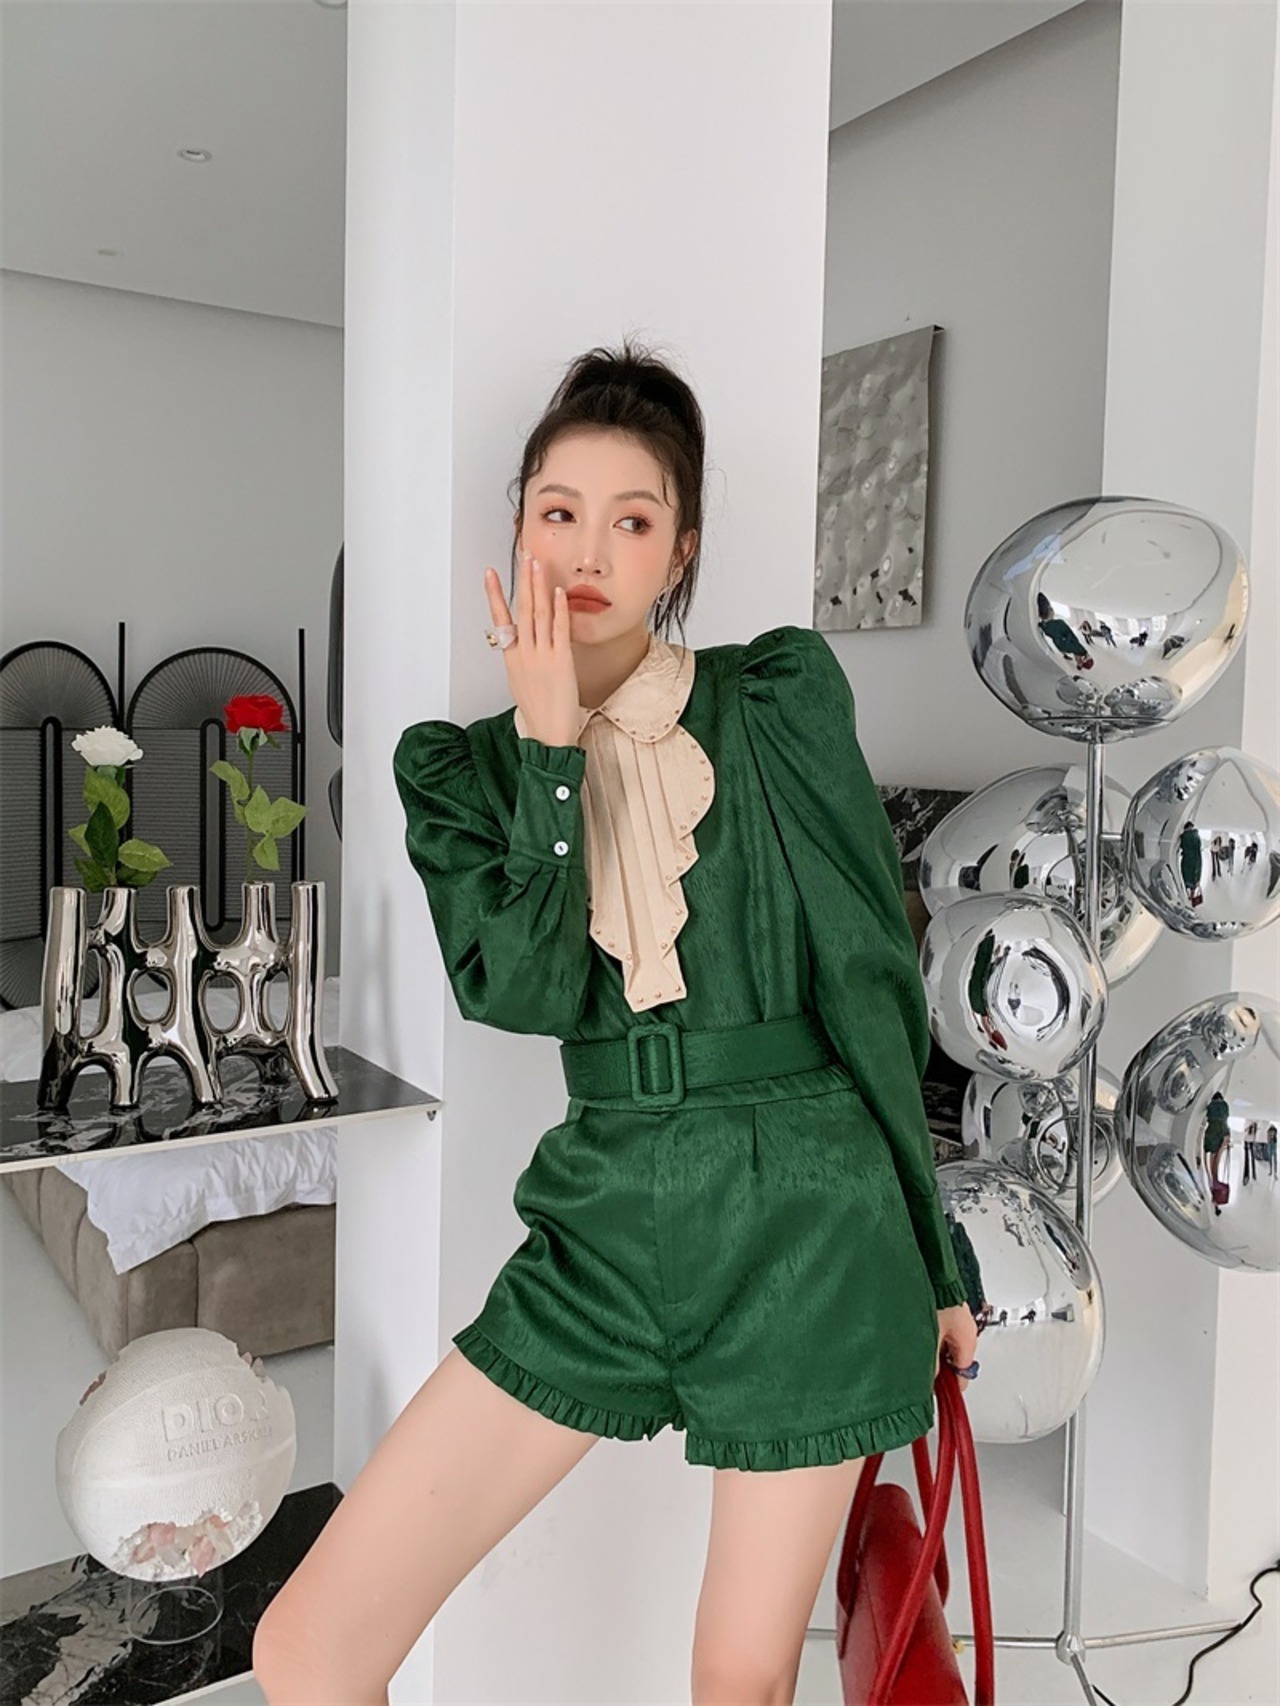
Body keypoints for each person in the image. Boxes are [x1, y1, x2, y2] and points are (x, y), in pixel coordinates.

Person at [253, 340, 979, 1706]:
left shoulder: (775, 699)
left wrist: (937, 1258)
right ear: (519, 527)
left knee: (737, 1680)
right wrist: (547, 750)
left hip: (814, 1216)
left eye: (632, 521)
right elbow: (518, 991)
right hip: (606, 1210)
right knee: (307, 1646)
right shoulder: (457, 770)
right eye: (559, 510)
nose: (588, 550)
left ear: (679, 551)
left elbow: (871, 978)